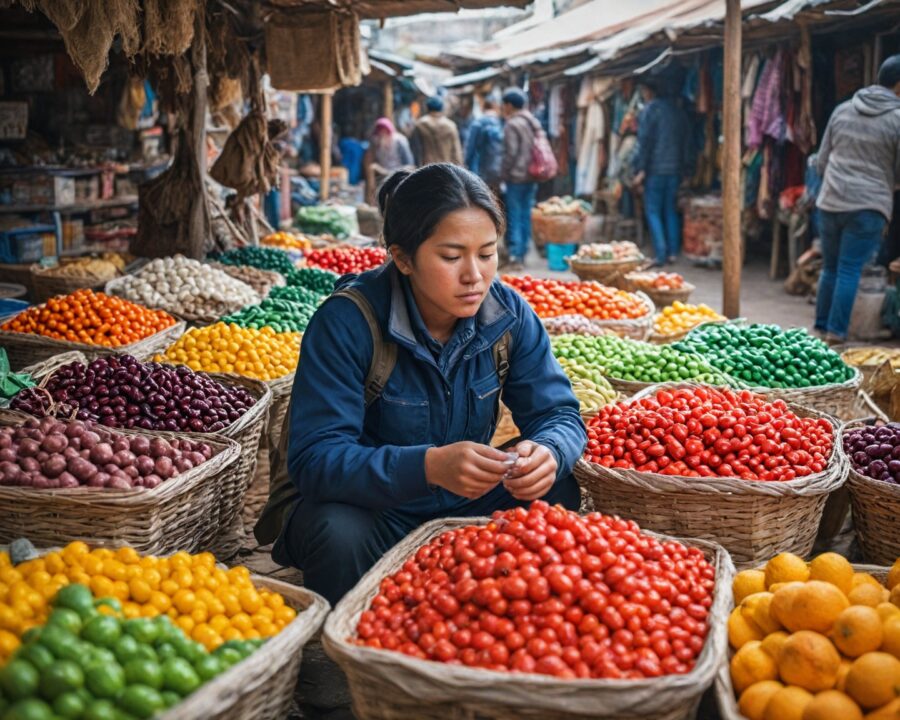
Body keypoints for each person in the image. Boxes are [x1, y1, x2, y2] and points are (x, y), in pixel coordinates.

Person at [269, 164, 587, 605]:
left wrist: (548, 451)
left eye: (487, 254)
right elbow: (316, 459)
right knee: (336, 532)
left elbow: (559, 413)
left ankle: (501, 607)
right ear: (403, 258)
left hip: (468, 502)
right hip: (373, 510)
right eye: (452, 257)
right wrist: (427, 467)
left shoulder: (508, 314)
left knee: (557, 488)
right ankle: (356, 633)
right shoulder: (347, 322)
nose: (474, 275)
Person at [813, 54, 900, 344]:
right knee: (849, 269)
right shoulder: (897, 119)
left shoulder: (842, 109)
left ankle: (821, 327)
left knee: (830, 267)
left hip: (830, 201)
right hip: (868, 205)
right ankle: (836, 333)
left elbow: (821, 161)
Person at [632, 80, 691, 266]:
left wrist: (640, 169)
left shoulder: (650, 111)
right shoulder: (679, 112)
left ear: (649, 91)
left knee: (653, 211)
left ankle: (660, 253)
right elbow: (686, 143)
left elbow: (644, 142)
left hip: (655, 169)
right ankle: (672, 252)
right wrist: (686, 170)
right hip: (674, 169)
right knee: (670, 210)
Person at [501, 88, 541, 269]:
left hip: (516, 177)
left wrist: (503, 174)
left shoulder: (512, 124)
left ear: (509, 105)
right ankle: (523, 252)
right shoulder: (532, 121)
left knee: (515, 215)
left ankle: (515, 256)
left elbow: (510, 153)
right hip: (532, 175)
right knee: (526, 214)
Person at [363, 117, 414, 206]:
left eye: (385, 132)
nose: (382, 135)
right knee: (371, 168)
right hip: (384, 175)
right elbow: (370, 159)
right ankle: (371, 202)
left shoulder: (399, 141)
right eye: (380, 133)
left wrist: (389, 172)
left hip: (399, 174)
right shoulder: (376, 142)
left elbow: (410, 165)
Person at [464, 98, 504, 196]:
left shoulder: (477, 123)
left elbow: (470, 147)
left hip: (481, 168)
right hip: (499, 167)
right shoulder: (500, 123)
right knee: (496, 196)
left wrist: (467, 163)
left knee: (483, 195)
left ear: (483, 107)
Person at [410, 96, 463, 166]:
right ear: (442, 108)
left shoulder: (420, 125)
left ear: (427, 108)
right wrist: (459, 166)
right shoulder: (450, 126)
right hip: (446, 168)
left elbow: (416, 151)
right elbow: (456, 152)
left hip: (426, 168)